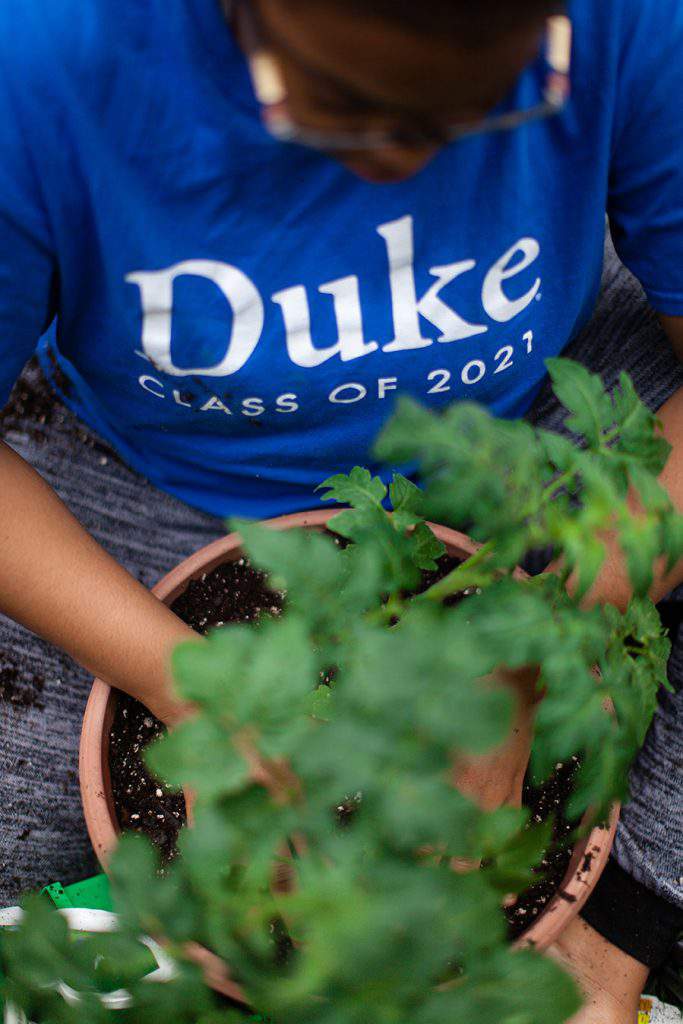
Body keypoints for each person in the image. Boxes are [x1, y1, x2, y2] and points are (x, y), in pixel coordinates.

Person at [0, 0, 681, 1020]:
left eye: (483, 108)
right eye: (336, 107)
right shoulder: (40, 57)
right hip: (143, 482)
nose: (401, 169)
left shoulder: (631, 19)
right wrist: (182, 678)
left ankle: (615, 919)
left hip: (534, 440)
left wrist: (542, 634)